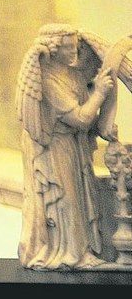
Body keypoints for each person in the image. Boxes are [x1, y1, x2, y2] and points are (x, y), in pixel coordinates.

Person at [16, 24, 123, 270]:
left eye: (75, 46)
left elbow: (86, 121)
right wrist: (99, 92)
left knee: (83, 199)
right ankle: (69, 254)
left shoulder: (70, 74)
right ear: (54, 50)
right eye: (67, 47)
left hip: (73, 147)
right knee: (68, 201)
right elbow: (79, 118)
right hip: (55, 150)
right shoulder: (47, 81)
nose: (74, 51)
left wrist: (101, 126)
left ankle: (84, 252)